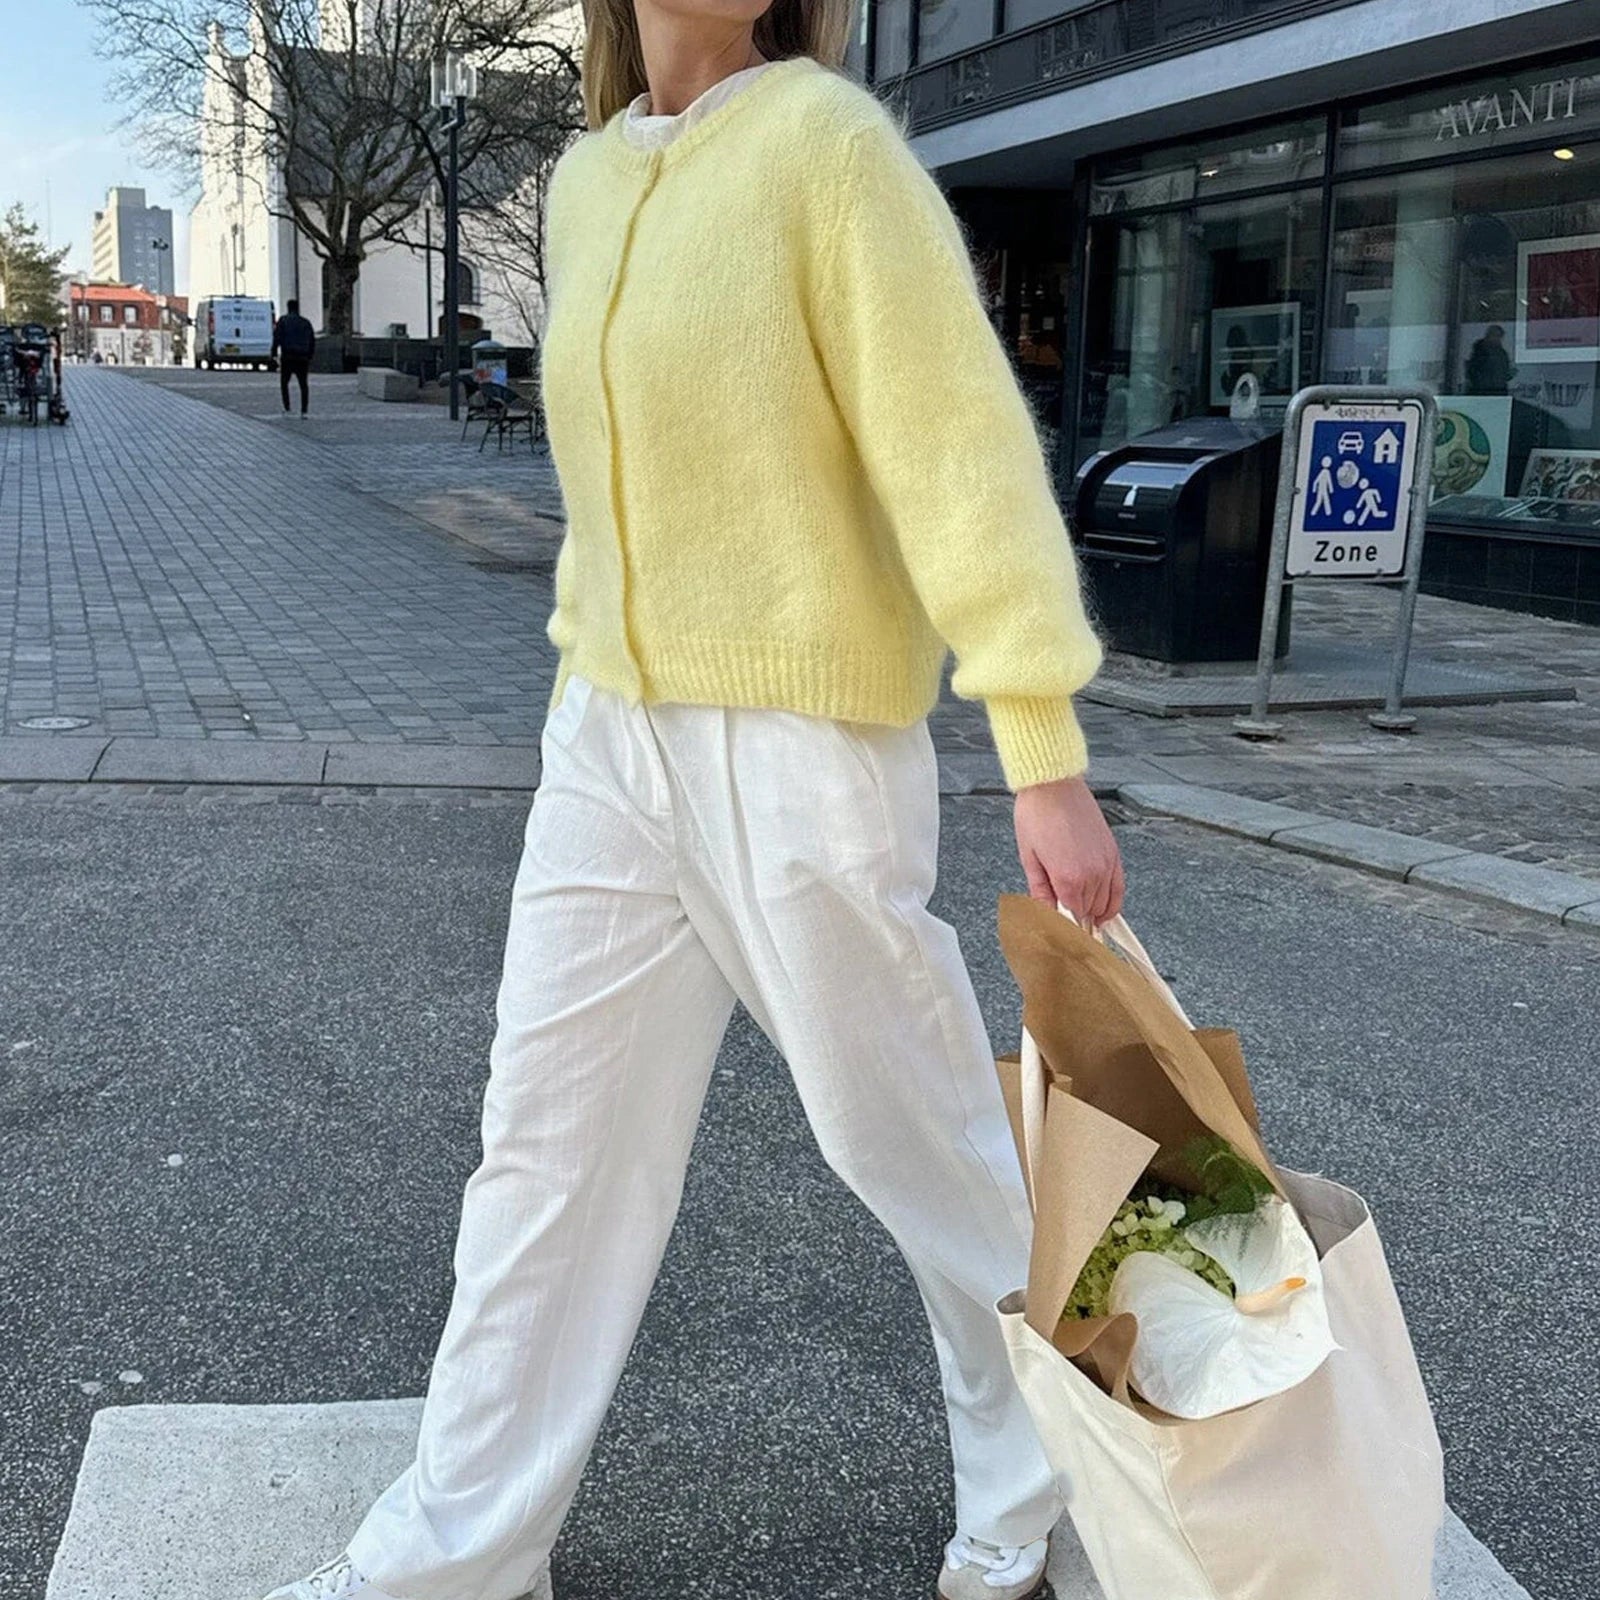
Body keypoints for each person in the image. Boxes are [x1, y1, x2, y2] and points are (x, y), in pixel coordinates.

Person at [259, 16, 1119, 1600]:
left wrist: (1039, 746)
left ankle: (1067, 1477)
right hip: (605, 734)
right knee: (544, 1146)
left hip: (801, 739)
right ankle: (453, 1552)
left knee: (912, 1141)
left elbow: (957, 452)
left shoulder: (827, 146)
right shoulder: (587, 183)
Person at [272, 299, 316, 415]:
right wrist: (310, 355)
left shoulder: (283, 321)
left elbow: (277, 337)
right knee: (303, 384)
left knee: (284, 383)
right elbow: (312, 340)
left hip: (288, 356)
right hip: (302, 357)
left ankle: (287, 408)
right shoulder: (306, 322)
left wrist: (274, 353)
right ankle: (304, 410)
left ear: (288, 307)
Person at [1465, 324, 1514, 395]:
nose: (1498, 339)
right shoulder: (1480, 352)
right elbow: (1473, 373)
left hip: (1499, 392)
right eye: (1496, 336)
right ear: (1489, 336)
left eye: (1500, 337)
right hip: (1483, 393)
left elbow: (1504, 373)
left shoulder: (1502, 354)